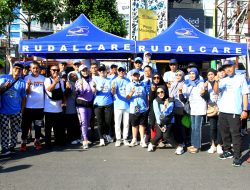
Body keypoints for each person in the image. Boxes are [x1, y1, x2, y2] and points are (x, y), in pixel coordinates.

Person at [213, 60, 249, 167]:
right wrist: (216, 81)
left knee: (235, 134)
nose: (228, 69)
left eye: (230, 66)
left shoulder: (241, 78)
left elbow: (245, 94)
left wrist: (245, 110)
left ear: (234, 67)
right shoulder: (223, 80)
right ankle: (227, 150)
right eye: (226, 67)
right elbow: (216, 91)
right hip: (223, 111)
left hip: (235, 111)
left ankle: (237, 156)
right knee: (224, 133)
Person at [0, 62, 26, 155]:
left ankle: (12, 146)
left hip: (16, 110)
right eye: (16, 68)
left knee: (15, 129)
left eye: (19, 69)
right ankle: (5, 147)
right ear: (13, 69)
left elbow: (23, 97)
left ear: (22, 71)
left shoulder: (22, 82)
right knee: (5, 129)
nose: (17, 70)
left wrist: (22, 109)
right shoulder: (4, 78)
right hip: (3, 110)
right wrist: (4, 86)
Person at [179, 68, 207, 153]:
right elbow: (185, 95)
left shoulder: (201, 83)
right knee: (193, 127)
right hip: (192, 108)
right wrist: (180, 90)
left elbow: (203, 94)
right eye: (190, 74)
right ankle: (194, 144)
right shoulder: (188, 84)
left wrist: (204, 92)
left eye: (193, 73)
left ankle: (197, 146)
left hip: (200, 107)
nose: (192, 75)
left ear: (197, 74)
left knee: (197, 128)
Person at [20, 61, 45, 151]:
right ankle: (23, 142)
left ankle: (37, 141)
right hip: (28, 107)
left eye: (37, 68)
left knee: (38, 126)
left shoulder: (43, 78)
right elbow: (27, 92)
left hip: (40, 107)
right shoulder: (26, 78)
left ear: (39, 69)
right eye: (33, 68)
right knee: (26, 126)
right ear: (30, 69)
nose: (35, 69)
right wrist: (29, 86)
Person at [147, 86, 176, 152]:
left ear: (165, 92)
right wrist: (160, 124)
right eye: (158, 92)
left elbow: (169, 112)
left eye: (162, 92)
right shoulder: (155, 101)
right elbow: (157, 113)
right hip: (159, 121)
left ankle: (178, 147)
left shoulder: (170, 100)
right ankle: (151, 144)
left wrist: (165, 107)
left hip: (169, 121)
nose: (160, 94)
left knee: (166, 136)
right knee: (159, 135)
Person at [92, 64, 115, 146]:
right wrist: (95, 89)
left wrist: (113, 90)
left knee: (108, 121)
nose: (102, 72)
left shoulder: (110, 79)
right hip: (98, 104)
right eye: (100, 70)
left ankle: (106, 134)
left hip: (108, 103)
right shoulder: (95, 78)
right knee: (100, 122)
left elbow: (112, 92)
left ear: (106, 71)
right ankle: (101, 138)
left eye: (103, 70)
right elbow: (94, 91)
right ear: (98, 72)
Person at [44, 65, 66, 149]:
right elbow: (49, 89)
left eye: (57, 70)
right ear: (50, 71)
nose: (56, 72)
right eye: (54, 70)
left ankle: (59, 141)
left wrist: (64, 101)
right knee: (48, 128)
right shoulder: (47, 80)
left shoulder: (60, 80)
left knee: (58, 127)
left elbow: (63, 92)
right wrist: (55, 82)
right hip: (49, 108)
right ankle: (48, 143)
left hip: (58, 107)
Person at [126, 69, 148, 148]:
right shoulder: (129, 85)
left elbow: (146, 96)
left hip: (143, 108)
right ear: (131, 76)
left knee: (142, 124)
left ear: (139, 75)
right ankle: (134, 139)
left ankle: (142, 140)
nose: (135, 76)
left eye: (137, 75)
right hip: (133, 108)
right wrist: (132, 92)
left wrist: (147, 105)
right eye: (134, 75)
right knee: (134, 125)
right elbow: (127, 98)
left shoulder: (143, 84)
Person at [204, 68, 223, 154]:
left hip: (220, 107)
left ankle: (219, 145)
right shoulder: (205, 84)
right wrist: (204, 90)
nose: (210, 76)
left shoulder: (220, 82)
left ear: (215, 75)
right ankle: (213, 145)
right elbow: (206, 98)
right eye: (208, 75)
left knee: (220, 127)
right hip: (211, 107)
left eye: (212, 74)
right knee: (212, 128)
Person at [75, 65, 94, 149]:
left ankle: (84, 137)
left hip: (89, 104)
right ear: (80, 72)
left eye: (86, 70)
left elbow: (93, 92)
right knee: (83, 122)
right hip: (81, 104)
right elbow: (80, 93)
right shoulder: (79, 81)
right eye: (83, 70)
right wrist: (81, 86)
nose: (85, 72)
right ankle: (84, 140)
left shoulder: (92, 80)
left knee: (88, 122)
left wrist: (94, 90)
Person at [112, 64, 130, 147]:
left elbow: (130, 92)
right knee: (117, 123)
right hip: (118, 105)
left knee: (126, 123)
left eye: (123, 70)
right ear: (118, 71)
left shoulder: (128, 80)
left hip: (127, 105)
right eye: (120, 70)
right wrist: (113, 89)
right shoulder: (114, 80)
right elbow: (113, 93)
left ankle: (125, 138)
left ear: (125, 71)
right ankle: (118, 139)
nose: (121, 72)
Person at [169, 70, 186, 155]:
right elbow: (170, 95)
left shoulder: (184, 84)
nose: (178, 76)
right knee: (175, 125)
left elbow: (185, 97)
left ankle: (182, 142)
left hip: (181, 107)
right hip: (173, 107)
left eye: (180, 75)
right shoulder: (173, 84)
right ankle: (177, 141)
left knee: (181, 126)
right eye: (177, 75)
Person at [64, 71, 81, 145]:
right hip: (69, 107)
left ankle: (77, 137)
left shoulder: (78, 83)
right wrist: (68, 88)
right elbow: (65, 94)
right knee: (70, 124)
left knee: (76, 123)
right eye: (72, 75)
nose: (74, 76)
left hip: (77, 106)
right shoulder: (67, 83)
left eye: (75, 75)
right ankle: (71, 138)